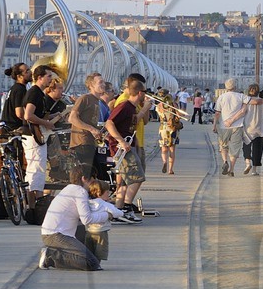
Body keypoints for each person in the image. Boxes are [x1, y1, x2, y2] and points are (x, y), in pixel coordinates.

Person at [37, 172, 116, 271]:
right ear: (84, 178)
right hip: (56, 235)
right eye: (93, 180)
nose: (94, 183)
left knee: (92, 258)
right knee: (91, 263)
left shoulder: (70, 189)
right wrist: (107, 215)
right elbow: (86, 219)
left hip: (53, 234)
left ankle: (57, 253)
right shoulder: (80, 192)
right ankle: (51, 256)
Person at [105, 75, 147, 217]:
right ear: (140, 93)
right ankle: (127, 207)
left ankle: (118, 209)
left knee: (123, 181)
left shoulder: (133, 107)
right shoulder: (125, 106)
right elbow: (109, 123)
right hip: (122, 148)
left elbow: (142, 121)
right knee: (137, 176)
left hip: (129, 145)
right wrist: (121, 141)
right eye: (145, 92)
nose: (146, 95)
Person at [19, 64, 60, 197]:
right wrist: (46, 123)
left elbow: (38, 114)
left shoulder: (38, 93)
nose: (50, 79)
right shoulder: (34, 93)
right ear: (40, 78)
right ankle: (35, 201)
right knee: (36, 168)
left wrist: (55, 116)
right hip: (33, 136)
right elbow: (28, 115)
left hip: (35, 135)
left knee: (36, 168)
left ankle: (34, 200)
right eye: (48, 76)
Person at [65, 71, 107, 182]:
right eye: (100, 82)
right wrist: (92, 129)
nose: (104, 84)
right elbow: (72, 118)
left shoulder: (97, 101)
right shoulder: (85, 98)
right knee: (89, 174)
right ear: (91, 85)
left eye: (103, 82)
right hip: (82, 142)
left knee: (97, 173)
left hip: (90, 141)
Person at [213, 77, 250, 176]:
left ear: (226, 87)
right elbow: (251, 101)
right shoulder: (241, 96)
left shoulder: (221, 97)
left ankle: (225, 161)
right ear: (235, 86)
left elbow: (217, 113)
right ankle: (231, 170)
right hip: (237, 126)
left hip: (223, 126)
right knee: (234, 149)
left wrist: (214, 125)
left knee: (223, 146)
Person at [242, 83, 263, 174]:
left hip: (248, 127)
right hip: (260, 127)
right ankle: (254, 170)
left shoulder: (246, 101)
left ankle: (247, 163)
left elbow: (242, 113)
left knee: (246, 145)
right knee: (258, 148)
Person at [157, 94, 182, 175]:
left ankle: (164, 162)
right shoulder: (174, 105)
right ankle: (170, 169)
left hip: (163, 128)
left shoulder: (159, 106)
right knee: (172, 149)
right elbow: (179, 116)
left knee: (163, 149)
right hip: (172, 128)